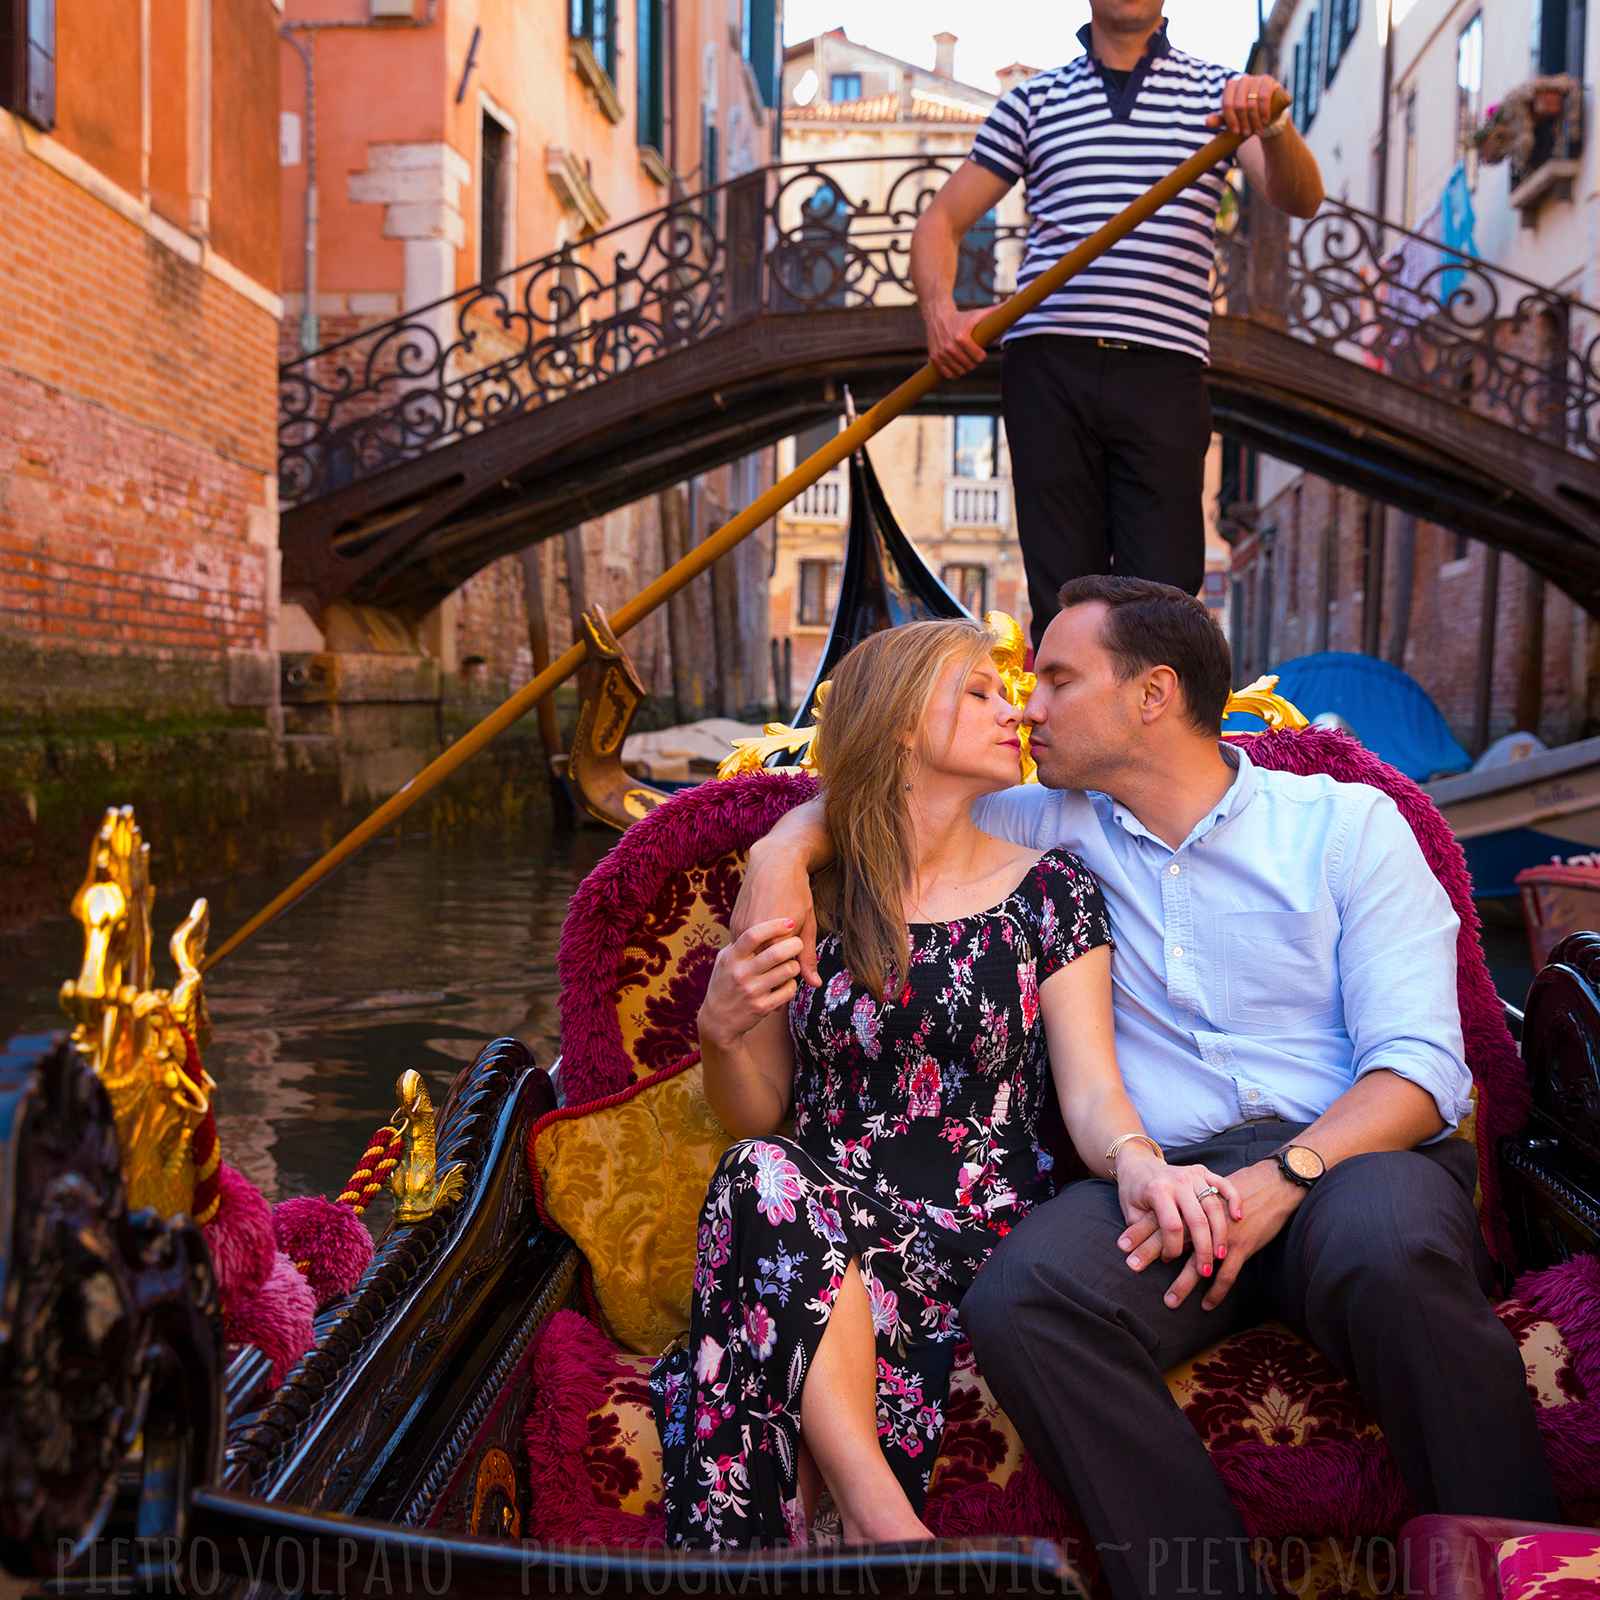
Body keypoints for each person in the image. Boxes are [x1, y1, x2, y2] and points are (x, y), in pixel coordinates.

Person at [732, 579, 1560, 1600]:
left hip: (1349, 1152)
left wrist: (1287, 1172)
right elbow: (880, 780)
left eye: (1057, 680)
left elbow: (1422, 1069)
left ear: (1151, 694)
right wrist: (779, 851)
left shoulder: (1347, 826)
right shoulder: (1041, 821)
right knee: (1027, 1298)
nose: (1028, 707)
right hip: (1161, 1175)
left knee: (1390, 1251)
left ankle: (1524, 1577)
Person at [649, 617, 1242, 1550]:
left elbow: (1092, 1093)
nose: (1014, 710)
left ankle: (821, 1536)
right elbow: (757, 1109)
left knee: (766, 1205)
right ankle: (888, 1526)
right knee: (761, 1171)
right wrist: (721, 1033)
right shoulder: (815, 895)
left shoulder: (1052, 891)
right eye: (978, 691)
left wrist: (1138, 1161)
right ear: (893, 723)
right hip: (810, 1221)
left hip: (976, 1237)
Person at [909, 1, 1325, 647]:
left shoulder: (1220, 96)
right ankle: (1067, 747)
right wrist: (941, 315)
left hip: (1164, 364)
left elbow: (1300, 198)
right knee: (1062, 594)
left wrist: (1272, 126)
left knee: (1163, 597)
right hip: (1049, 361)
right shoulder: (1033, 102)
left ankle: (1152, 745)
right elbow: (941, 221)